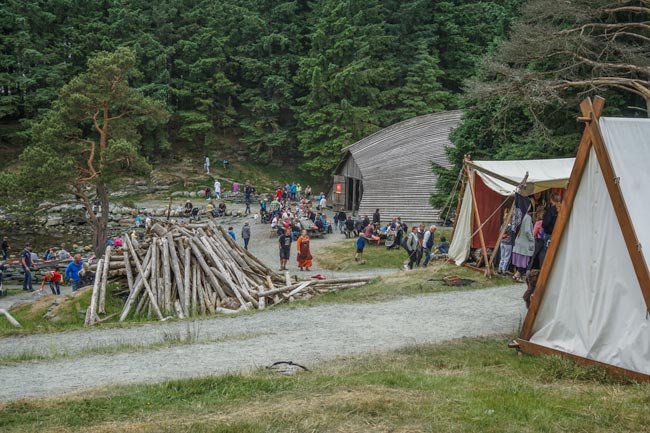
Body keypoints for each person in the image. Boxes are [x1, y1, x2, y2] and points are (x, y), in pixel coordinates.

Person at [512, 211, 534, 283]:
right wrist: (532, 239)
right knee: (524, 262)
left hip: (519, 241)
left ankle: (518, 275)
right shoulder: (527, 217)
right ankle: (516, 275)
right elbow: (527, 231)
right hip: (524, 243)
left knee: (521, 261)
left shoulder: (521, 215)